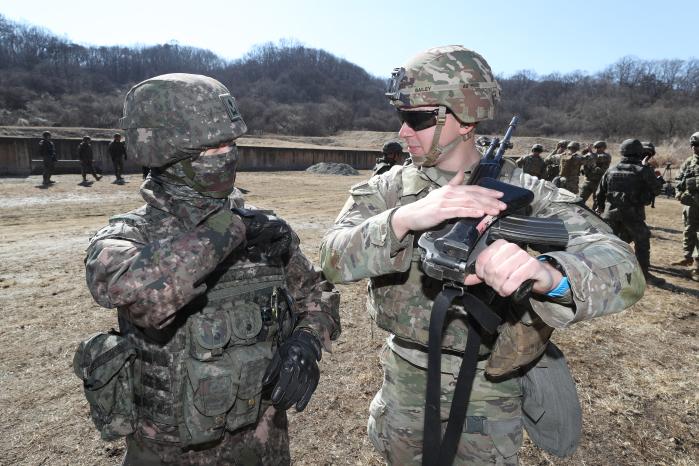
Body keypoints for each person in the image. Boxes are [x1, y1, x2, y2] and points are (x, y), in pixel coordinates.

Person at [320, 45, 644, 465]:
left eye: (417, 118)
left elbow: (622, 266)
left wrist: (550, 274)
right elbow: (330, 258)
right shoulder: (388, 190)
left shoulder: (527, 192)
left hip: (489, 382)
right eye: (401, 117)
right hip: (406, 374)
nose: (402, 132)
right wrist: (403, 219)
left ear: (466, 117)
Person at [76, 74, 341, 465]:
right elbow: (148, 296)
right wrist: (232, 229)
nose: (227, 155)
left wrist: (307, 342)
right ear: (166, 151)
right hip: (171, 451)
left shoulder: (266, 231)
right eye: (212, 147)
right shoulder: (130, 236)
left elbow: (318, 294)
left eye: (230, 144)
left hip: (263, 441)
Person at [595, 138, 665, 285]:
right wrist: (655, 177)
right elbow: (657, 189)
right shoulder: (643, 171)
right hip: (633, 215)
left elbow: (599, 193)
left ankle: (603, 273)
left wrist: (601, 208)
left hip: (610, 215)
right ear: (639, 153)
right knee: (642, 243)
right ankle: (642, 275)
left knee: (610, 244)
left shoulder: (611, 170)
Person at [672, 132, 699, 281]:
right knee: (689, 230)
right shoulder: (689, 162)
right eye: (693, 145)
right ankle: (687, 257)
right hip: (690, 204)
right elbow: (678, 179)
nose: (695, 148)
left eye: (698, 145)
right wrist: (679, 194)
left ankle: (697, 266)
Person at [580, 140, 611, 205]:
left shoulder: (606, 156)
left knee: (597, 203)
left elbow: (597, 158)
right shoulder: (592, 155)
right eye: (596, 147)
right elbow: (582, 159)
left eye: (599, 147)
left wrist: (590, 152)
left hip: (598, 182)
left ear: (604, 148)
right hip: (588, 181)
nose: (597, 149)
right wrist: (585, 151)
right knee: (580, 200)